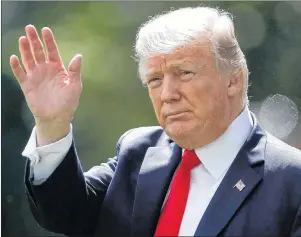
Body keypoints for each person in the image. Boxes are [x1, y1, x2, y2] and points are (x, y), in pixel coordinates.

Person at [10, 6, 301, 237]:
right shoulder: (138, 153)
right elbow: (63, 213)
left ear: (233, 81)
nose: (168, 94)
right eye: (155, 80)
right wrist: (52, 123)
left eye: (185, 73)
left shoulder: (291, 180)